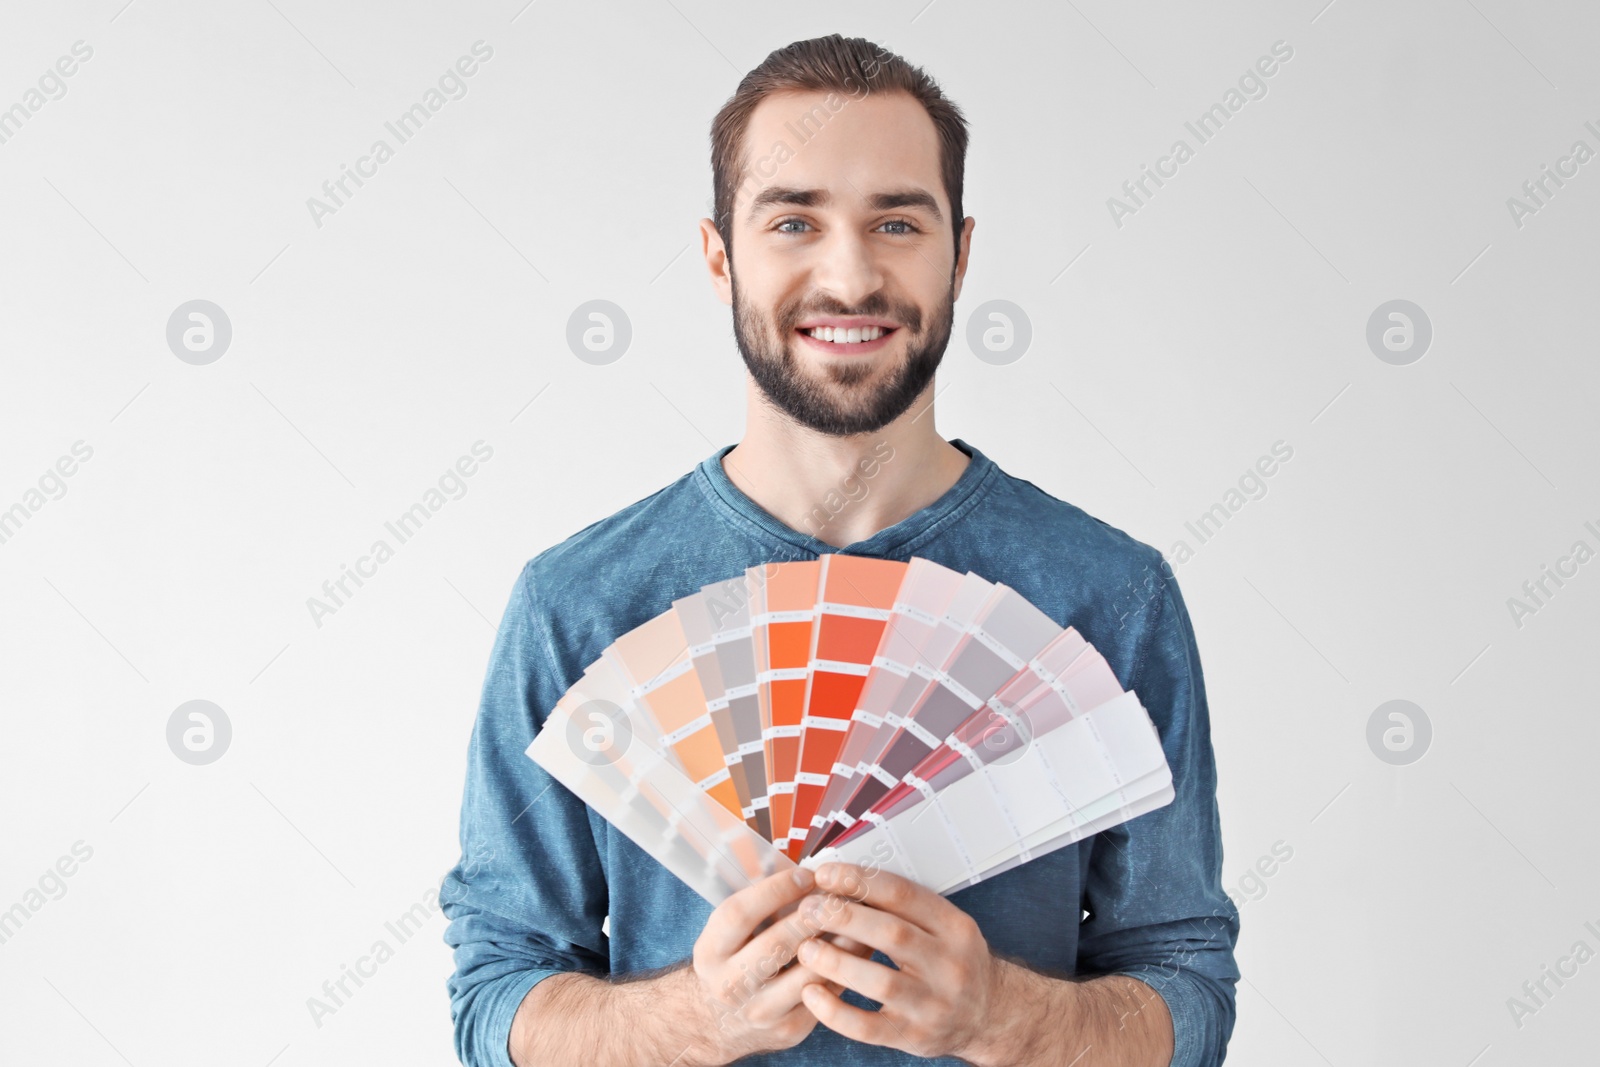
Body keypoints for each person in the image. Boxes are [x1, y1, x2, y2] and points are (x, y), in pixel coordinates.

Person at [441, 33, 1239, 1067]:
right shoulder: (578, 603)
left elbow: (1186, 986)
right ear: (719, 253)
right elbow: (493, 996)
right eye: (793, 221)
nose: (850, 274)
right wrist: (693, 1019)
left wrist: (1000, 1013)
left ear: (959, 251)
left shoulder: (1110, 594)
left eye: (896, 222)